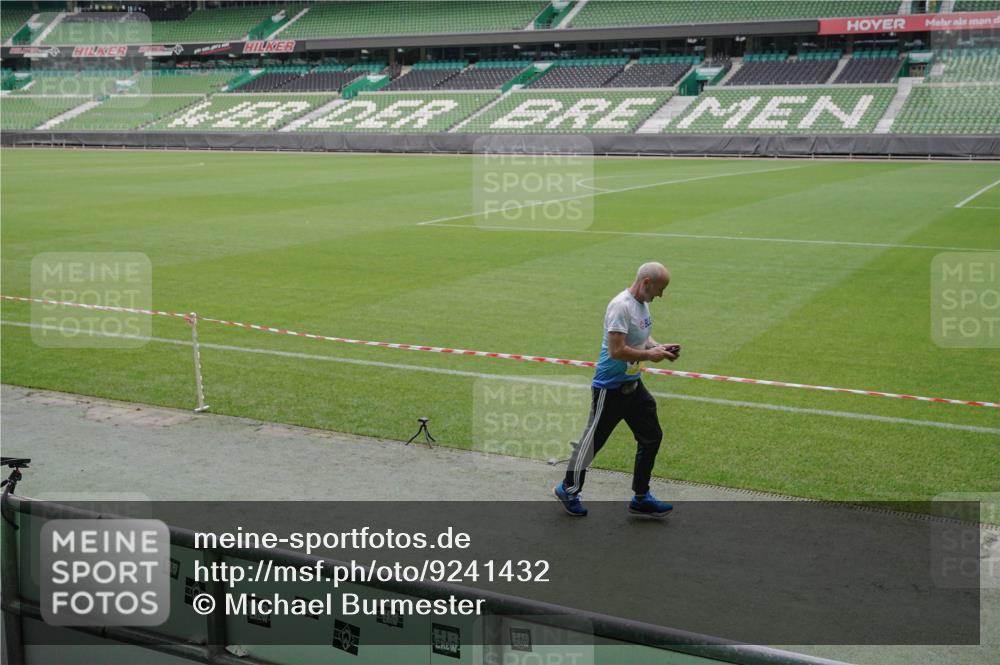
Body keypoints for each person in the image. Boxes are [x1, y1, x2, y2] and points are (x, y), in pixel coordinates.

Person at [554, 262, 680, 518]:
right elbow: (616, 350)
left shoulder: (642, 305)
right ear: (646, 282)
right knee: (592, 442)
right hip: (609, 389)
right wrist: (649, 355)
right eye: (659, 289)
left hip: (633, 386)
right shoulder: (620, 306)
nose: (660, 295)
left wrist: (660, 347)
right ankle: (568, 489)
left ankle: (641, 497)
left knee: (651, 435)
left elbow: (641, 337)